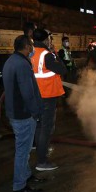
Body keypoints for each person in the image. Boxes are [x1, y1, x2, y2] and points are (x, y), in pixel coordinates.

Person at [2, 35, 45, 192]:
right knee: (23, 151)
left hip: (15, 113)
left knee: (23, 149)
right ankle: (19, 185)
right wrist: (36, 112)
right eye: (32, 45)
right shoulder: (22, 64)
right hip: (24, 115)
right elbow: (28, 93)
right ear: (27, 46)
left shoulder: (11, 61)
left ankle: (26, 175)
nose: (33, 48)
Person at [31, 29, 67, 171]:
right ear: (46, 40)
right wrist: (55, 53)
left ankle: (37, 151)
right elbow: (63, 69)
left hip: (36, 95)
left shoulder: (31, 52)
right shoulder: (47, 55)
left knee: (39, 127)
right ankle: (42, 162)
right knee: (45, 129)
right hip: (47, 96)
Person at [58, 36, 77, 104]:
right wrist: (69, 62)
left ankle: (67, 96)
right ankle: (65, 97)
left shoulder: (67, 50)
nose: (67, 43)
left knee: (69, 83)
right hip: (65, 70)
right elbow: (61, 61)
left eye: (68, 41)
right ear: (62, 42)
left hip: (70, 70)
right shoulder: (61, 51)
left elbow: (69, 58)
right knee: (66, 83)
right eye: (66, 41)